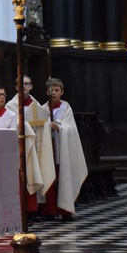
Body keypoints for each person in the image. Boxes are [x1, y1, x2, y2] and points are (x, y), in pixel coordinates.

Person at [6, 75, 55, 219]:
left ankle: (37, 208)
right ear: (16, 87)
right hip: (22, 147)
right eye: (22, 84)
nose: (25, 87)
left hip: (36, 145)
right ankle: (25, 210)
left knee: (37, 172)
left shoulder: (36, 104)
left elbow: (44, 122)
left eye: (27, 84)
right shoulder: (11, 106)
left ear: (32, 87)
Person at [39, 78, 88, 221]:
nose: (53, 93)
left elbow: (70, 128)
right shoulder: (42, 109)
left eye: (56, 90)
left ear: (62, 92)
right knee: (49, 177)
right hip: (48, 149)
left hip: (62, 148)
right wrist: (47, 126)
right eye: (50, 90)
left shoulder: (66, 108)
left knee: (63, 177)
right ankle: (49, 210)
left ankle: (65, 209)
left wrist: (59, 127)